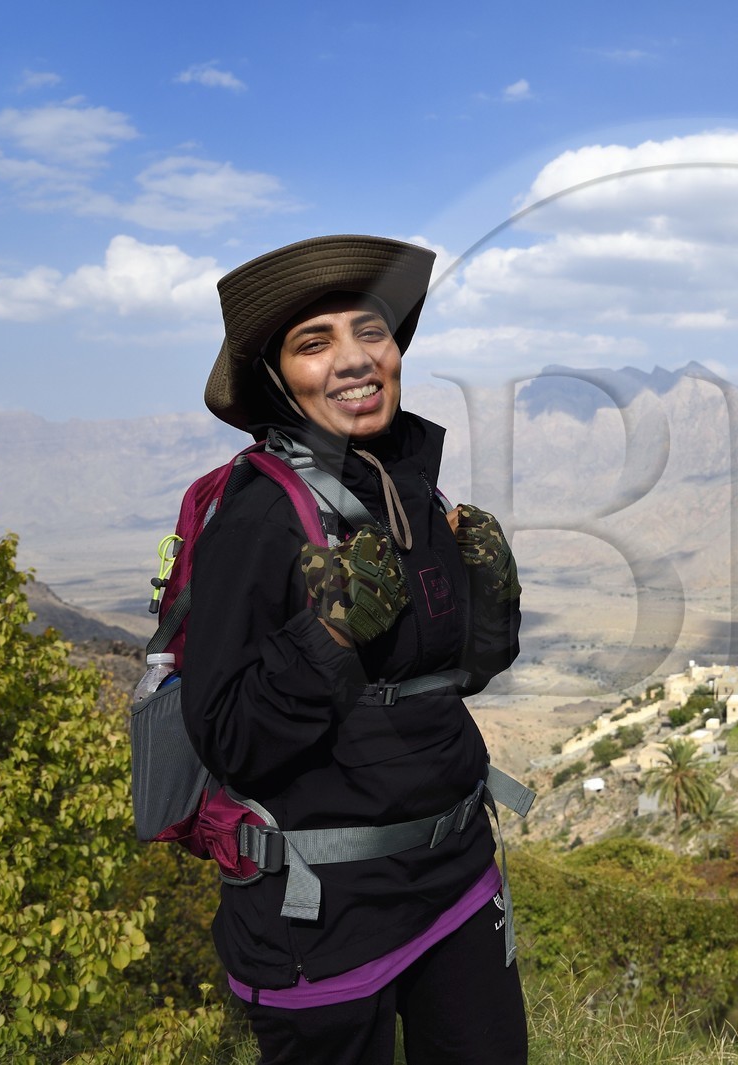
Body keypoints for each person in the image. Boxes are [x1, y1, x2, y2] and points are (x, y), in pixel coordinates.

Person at [183, 235, 528, 1064]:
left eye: (369, 331)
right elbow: (227, 736)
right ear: (276, 374)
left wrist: (491, 613)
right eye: (315, 341)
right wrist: (328, 635)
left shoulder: (415, 490)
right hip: (323, 916)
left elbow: (442, 681)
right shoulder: (257, 518)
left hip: (455, 879)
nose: (353, 360)